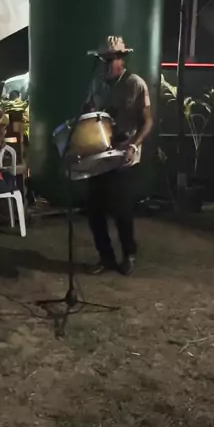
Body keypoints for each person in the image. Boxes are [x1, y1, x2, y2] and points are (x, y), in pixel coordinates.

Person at [86, 36, 153, 276]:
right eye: (103, 59)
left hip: (124, 155)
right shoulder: (97, 84)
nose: (106, 64)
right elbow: (89, 111)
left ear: (121, 59)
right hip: (100, 153)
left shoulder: (135, 84)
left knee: (122, 211)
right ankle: (106, 257)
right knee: (94, 211)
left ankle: (129, 254)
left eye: (110, 59)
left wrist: (134, 145)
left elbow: (148, 121)